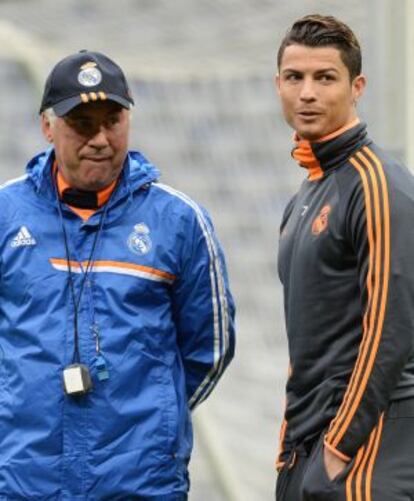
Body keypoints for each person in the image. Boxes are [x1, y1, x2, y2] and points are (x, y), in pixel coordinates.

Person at [0, 50, 235, 499]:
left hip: (140, 483)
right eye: (82, 124)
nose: (100, 139)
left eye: (113, 121)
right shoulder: (6, 215)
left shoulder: (179, 221)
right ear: (47, 127)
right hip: (24, 480)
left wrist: (153, 419)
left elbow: (211, 348)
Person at [275, 14, 414, 501]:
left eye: (325, 77)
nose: (307, 93)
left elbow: (390, 329)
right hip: (309, 444)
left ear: (357, 87)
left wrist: (337, 447)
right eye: (295, 77)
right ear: (278, 84)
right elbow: (308, 336)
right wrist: (291, 443)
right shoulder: (307, 192)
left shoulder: (378, 183)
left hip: (369, 445)